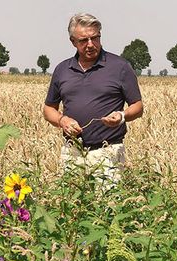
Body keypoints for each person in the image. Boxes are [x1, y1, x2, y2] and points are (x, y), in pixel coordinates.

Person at [43, 13, 143, 184]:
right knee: (72, 206)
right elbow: (48, 109)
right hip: (72, 152)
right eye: (83, 40)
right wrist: (62, 121)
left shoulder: (120, 67)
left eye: (94, 38)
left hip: (107, 153)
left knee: (108, 206)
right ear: (73, 41)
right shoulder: (62, 69)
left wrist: (121, 117)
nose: (90, 44)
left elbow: (138, 106)